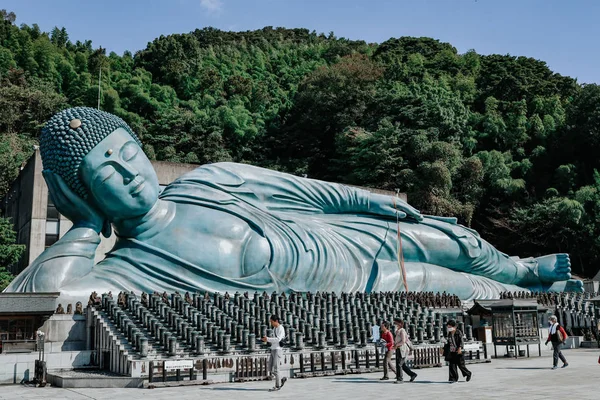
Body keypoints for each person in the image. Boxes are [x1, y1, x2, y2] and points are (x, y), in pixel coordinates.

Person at [5, 107, 581, 302]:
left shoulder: (209, 179)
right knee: (460, 287)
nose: (129, 171)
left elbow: (309, 191)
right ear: (80, 190)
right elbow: (43, 296)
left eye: (128, 151)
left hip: (338, 236)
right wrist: (84, 224)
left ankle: (525, 269)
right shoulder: (130, 269)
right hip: (351, 286)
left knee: (449, 239)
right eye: (104, 171)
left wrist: (377, 202)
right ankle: (527, 291)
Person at [261, 315, 287, 391]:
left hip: (278, 349)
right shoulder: (274, 328)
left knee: (276, 368)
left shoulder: (281, 328)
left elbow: (278, 339)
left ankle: (277, 385)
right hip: (273, 349)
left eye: (272, 322)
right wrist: (267, 340)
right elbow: (274, 339)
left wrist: (268, 339)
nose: (271, 323)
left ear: (276, 321)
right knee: (270, 368)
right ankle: (282, 378)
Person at [392, 318, 417, 383]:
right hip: (399, 348)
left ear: (400, 324)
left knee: (399, 364)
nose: (394, 324)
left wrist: (396, 345)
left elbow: (403, 341)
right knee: (402, 365)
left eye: (396, 323)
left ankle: (400, 379)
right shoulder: (398, 330)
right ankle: (412, 374)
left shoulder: (402, 331)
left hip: (402, 349)